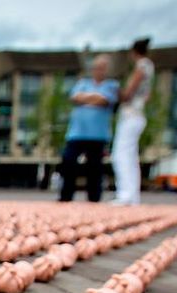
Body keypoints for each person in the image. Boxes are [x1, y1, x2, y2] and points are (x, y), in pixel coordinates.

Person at [59, 54, 119, 202]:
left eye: (102, 68)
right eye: (97, 68)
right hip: (76, 133)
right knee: (68, 162)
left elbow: (104, 100)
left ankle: (94, 199)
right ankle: (66, 196)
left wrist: (86, 99)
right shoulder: (82, 83)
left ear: (107, 70)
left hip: (98, 135)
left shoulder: (112, 85)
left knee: (94, 168)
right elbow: (75, 97)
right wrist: (94, 98)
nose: (99, 71)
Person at [112, 38, 155, 205]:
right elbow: (148, 95)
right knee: (131, 155)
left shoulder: (141, 66)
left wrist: (117, 91)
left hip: (131, 115)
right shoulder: (150, 67)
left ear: (133, 53)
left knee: (121, 154)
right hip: (139, 114)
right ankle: (133, 196)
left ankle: (125, 195)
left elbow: (128, 94)